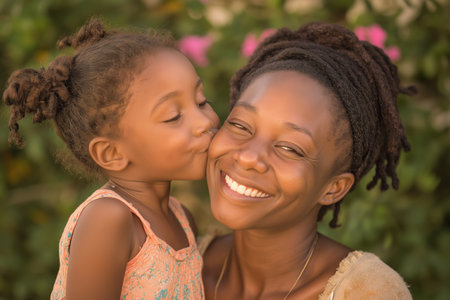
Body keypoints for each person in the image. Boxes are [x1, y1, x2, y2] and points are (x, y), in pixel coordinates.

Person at [2, 18, 219, 299]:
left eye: (201, 101)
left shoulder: (182, 218)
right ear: (112, 153)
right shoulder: (109, 219)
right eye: (173, 116)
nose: (204, 121)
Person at [201, 22, 415, 299]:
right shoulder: (175, 261)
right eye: (241, 126)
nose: (249, 157)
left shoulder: (365, 292)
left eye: (290, 148)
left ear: (333, 188)